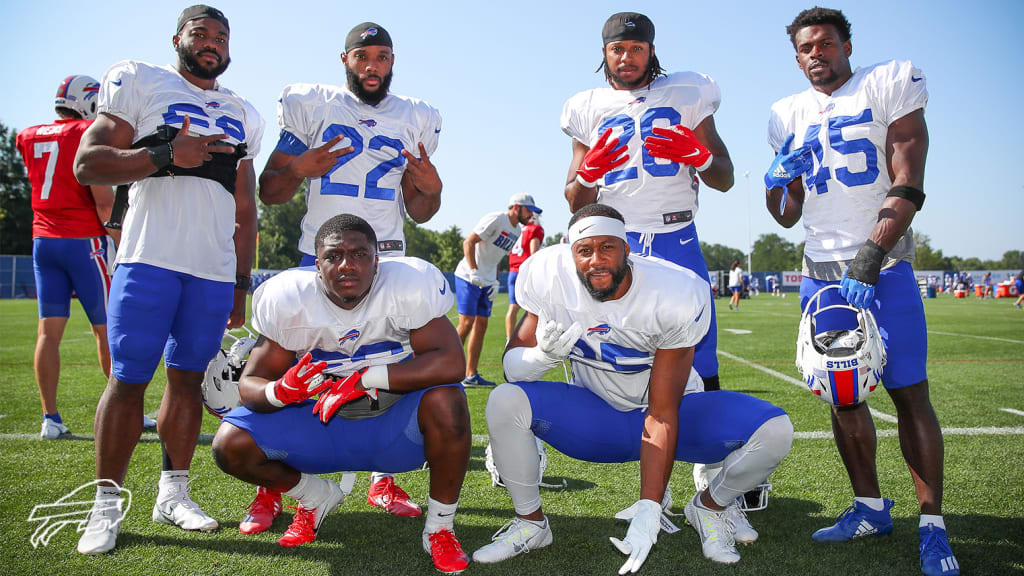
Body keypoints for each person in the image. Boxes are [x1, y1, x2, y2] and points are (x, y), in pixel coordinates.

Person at [474, 203, 793, 570]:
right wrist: (542, 356)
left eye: (608, 247)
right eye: (585, 250)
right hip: (595, 417)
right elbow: (514, 370)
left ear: (628, 249)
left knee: (775, 430)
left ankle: (709, 507)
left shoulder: (674, 291)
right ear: (570, 253)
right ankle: (530, 524)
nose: (597, 260)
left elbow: (661, 413)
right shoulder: (548, 276)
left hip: (671, 416)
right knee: (505, 400)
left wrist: (648, 507)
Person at [763, 7, 957, 575]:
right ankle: (869, 506)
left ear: (846, 45)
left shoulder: (887, 81)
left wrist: (872, 255)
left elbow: (909, 173)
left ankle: (932, 523)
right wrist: (778, 181)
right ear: (796, 56)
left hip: (883, 264)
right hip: (819, 273)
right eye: (805, 48)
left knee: (908, 392)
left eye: (825, 43)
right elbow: (785, 214)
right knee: (842, 394)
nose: (815, 54)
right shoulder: (785, 113)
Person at [72, 5, 264, 555]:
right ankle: (105, 503)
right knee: (128, 381)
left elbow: (245, 205)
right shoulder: (141, 81)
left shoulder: (241, 111)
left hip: (210, 270)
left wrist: (241, 280)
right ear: (177, 39)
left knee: (186, 383)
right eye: (200, 33)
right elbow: (90, 163)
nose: (212, 43)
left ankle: (173, 493)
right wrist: (163, 154)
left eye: (221, 37)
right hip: (148, 257)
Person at [253, 20, 442, 527]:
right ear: (345, 61)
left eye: (382, 57)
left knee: (392, 361)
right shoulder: (313, 107)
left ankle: (384, 478)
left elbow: (422, 211)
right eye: (363, 57)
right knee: (297, 365)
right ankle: (278, 485)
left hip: (389, 258)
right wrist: (298, 167)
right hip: (322, 257)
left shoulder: (415, 116)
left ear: (393, 61)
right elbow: (268, 191)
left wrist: (432, 187)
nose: (373, 67)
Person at [211, 214, 471, 574]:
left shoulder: (408, 287)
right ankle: (314, 496)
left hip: (391, 421)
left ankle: (439, 528)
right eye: (334, 256)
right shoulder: (289, 300)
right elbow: (251, 386)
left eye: (360, 254)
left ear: (377, 260)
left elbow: (451, 363)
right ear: (317, 265)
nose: (347, 265)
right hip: (320, 421)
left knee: (449, 401)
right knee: (230, 443)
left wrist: (367, 377)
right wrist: (280, 390)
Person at [562, 11, 734, 393]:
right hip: (618, 240)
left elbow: (725, 178)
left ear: (651, 51)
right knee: (613, 347)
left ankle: (706, 444)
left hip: (677, 236)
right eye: (617, 49)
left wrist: (700, 157)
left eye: (636, 48)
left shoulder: (688, 90)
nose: (627, 57)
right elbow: (576, 200)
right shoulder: (587, 105)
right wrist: (589, 173)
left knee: (701, 347)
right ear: (604, 53)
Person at [17, 75, 120, 439]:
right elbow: (103, 200)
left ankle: (51, 419)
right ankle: (124, 414)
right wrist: (122, 245)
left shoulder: (28, 135)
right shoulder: (84, 132)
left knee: (48, 333)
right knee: (106, 330)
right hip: (83, 241)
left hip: (43, 241)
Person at [453, 193, 541, 386]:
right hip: (469, 276)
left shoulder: (517, 231)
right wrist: (475, 271)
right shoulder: (496, 219)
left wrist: (493, 280)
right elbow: (468, 242)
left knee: (482, 325)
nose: (531, 215)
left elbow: (498, 256)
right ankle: (447, 368)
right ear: (516, 207)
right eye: (529, 210)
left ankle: (471, 375)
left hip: (486, 280)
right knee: (466, 322)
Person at [505, 213, 545, 339]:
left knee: (513, 308)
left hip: (512, 271)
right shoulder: (535, 229)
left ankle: (509, 339)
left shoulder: (518, 229)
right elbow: (533, 253)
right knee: (536, 307)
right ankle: (534, 339)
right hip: (525, 272)